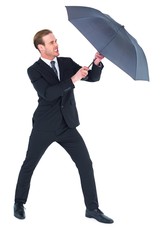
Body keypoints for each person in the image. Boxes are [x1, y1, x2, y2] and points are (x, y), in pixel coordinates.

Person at [13, 29, 113, 224]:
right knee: (29, 164)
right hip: (45, 126)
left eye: (56, 40)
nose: (56, 44)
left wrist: (97, 62)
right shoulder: (33, 70)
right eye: (51, 42)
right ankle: (18, 202)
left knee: (85, 164)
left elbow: (92, 78)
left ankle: (92, 209)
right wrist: (73, 79)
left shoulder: (66, 62)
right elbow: (48, 94)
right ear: (41, 48)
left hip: (67, 125)